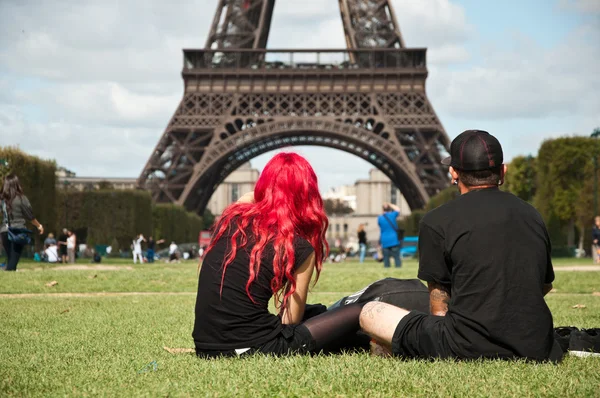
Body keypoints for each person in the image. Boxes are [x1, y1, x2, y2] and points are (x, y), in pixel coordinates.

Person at [359, 130, 563, 362]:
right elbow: (543, 285)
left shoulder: (437, 220)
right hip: (534, 344)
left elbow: (439, 304)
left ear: (453, 172)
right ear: (503, 171)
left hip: (465, 346)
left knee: (370, 312)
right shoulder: (532, 214)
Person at [193, 153, 365, 358]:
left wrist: (270, 190)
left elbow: (247, 198)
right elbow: (290, 320)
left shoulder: (231, 220)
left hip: (206, 348)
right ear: (308, 194)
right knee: (357, 311)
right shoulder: (299, 247)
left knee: (316, 312)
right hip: (252, 347)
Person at [0, 174, 44, 271]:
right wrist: (39, 226)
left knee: (11, 259)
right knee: (13, 262)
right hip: (17, 232)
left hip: (4, 231)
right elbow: (30, 216)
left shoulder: (2, 199)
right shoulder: (21, 198)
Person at [377, 202, 402, 268]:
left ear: (382, 210)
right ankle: (398, 269)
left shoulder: (380, 218)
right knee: (396, 257)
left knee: (386, 258)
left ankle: (387, 270)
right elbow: (398, 209)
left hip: (384, 240)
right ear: (390, 209)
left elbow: (380, 226)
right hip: (394, 239)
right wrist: (390, 204)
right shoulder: (393, 215)